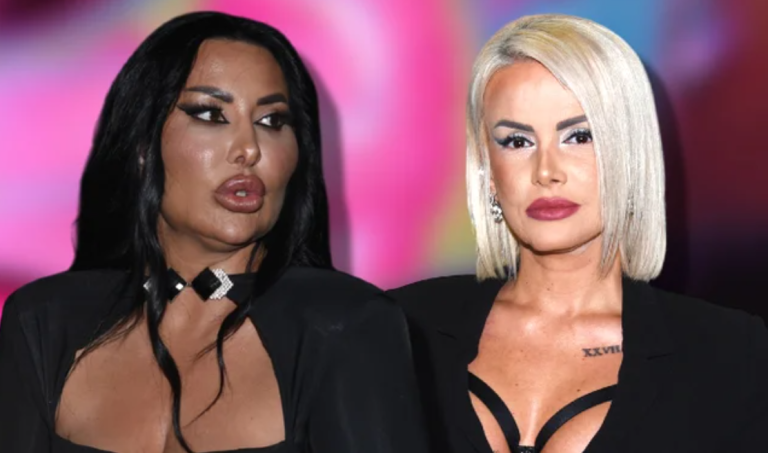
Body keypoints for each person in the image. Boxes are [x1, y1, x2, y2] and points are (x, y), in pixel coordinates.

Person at [0, 11, 427, 453]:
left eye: (272, 121)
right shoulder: (42, 322)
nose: (249, 149)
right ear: (142, 146)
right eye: (210, 114)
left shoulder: (346, 325)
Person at [389, 14, 768, 453]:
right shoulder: (397, 326)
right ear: (489, 172)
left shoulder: (731, 352)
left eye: (578, 136)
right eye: (517, 142)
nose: (546, 171)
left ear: (629, 152)